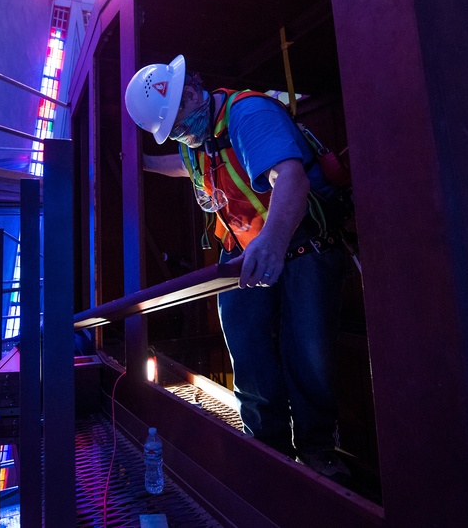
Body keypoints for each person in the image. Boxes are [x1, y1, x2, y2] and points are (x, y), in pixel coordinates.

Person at [124, 54, 350, 480]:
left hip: (302, 243)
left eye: (179, 122)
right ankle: (267, 450)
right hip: (248, 250)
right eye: (170, 131)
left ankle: (318, 452)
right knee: (248, 351)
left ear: (192, 91)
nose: (179, 135)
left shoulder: (248, 114)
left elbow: (291, 177)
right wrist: (149, 165)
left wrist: (274, 239)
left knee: (308, 354)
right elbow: (191, 166)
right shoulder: (194, 137)